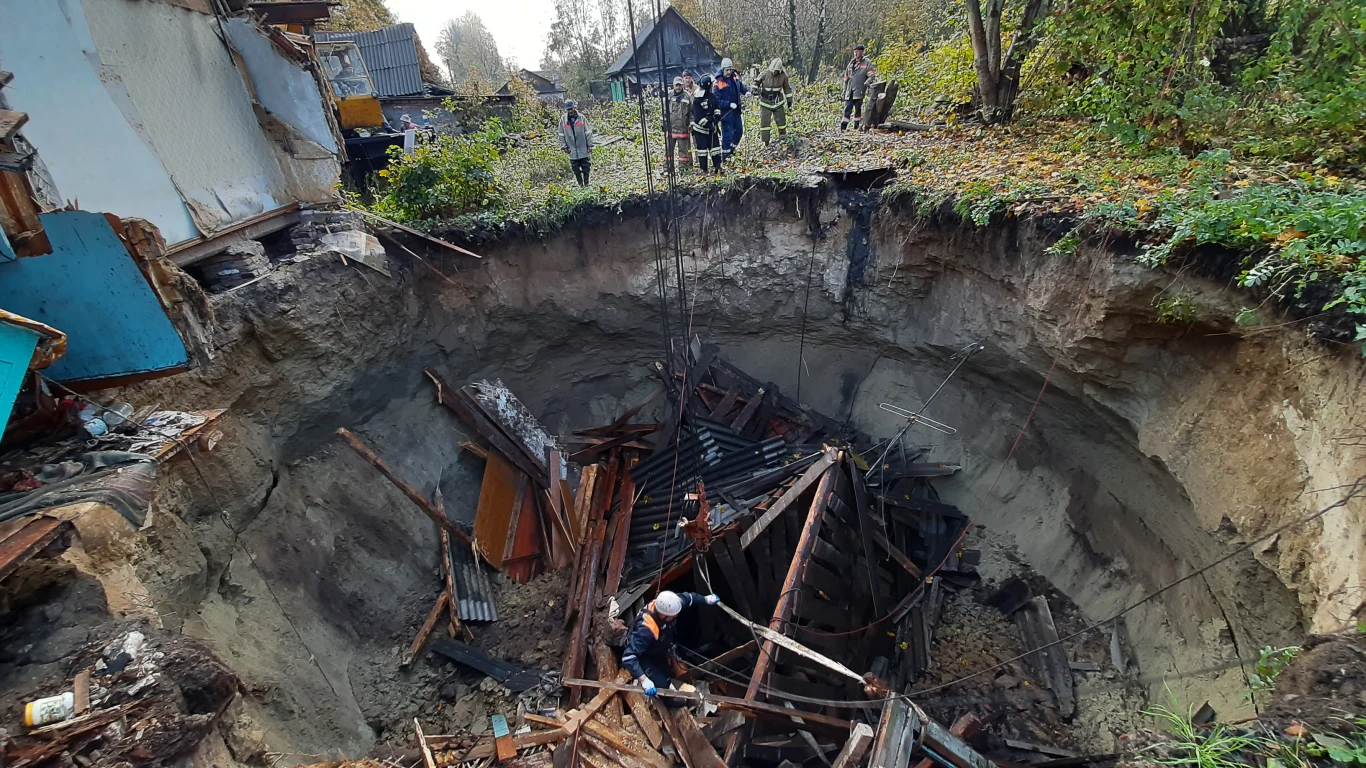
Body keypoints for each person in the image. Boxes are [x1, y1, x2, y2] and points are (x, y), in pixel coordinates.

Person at [621, 590, 722, 698]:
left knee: (666, 672)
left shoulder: (671, 604)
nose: (676, 617)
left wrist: (705, 599)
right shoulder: (646, 630)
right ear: (663, 615)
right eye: (673, 616)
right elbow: (628, 658)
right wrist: (644, 680)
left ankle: (668, 680)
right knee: (664, 689)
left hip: (660, 648)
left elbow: (688, 598)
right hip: (645, 655)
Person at [713, 58, 747, 158]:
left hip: (736, 111)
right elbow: (717, 100)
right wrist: (728, 104)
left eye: (730, 69)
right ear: (723, 69)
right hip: (726, 113)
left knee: (739, 131)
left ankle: (732, 150)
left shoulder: (734, 77)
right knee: (727, 136)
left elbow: (740, 86)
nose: (729, 72)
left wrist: (746, 91)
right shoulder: (718, 82)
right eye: (727, 70)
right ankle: (726, 155)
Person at [755, 58, 794, 145]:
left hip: (778, 102)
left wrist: (789, 101)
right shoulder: (765, 73)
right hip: (765, 102)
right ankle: (766, 143)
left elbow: (787, 89)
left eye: (775, 71)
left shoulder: (783, 76)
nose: (773, 72)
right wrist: (754, 89)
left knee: (781, 122)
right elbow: (756, 82)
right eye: (772, 70)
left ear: (779, 70)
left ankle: (783, 139)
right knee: (764, 123)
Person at [690, 74, 724, 173]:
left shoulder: (712, 96)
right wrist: (710, 124)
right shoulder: (697, 100)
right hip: (700, 131)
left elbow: (717, 109)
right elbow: (699, 119)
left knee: (716, 149)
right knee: (702, 151)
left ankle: (717, 166)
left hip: (712, 128)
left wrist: (716, 120)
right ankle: (704, 169)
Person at [559, 100, 594, 186]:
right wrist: (564, 146)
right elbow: (561, 134)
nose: (570, 111)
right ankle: (580, 184)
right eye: (568, 109)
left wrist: (589, 145)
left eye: (571, 109)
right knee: (576, 169)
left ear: (574, 107)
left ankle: (586, 183)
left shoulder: (581, 118)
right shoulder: (563, 120)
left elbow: (588, 132)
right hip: (572, 149)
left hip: (583, 148)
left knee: (586, 167)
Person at [841, 44, 875, 130]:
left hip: (859, 91)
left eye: (858, 52)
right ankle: (843, 128)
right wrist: (844, 91)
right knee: (847, 108)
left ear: (862, 52)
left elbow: (871, 75)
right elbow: (846, 78)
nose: (856, 53)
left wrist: (867, 82)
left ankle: (856, 128)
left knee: (858, 110)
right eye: (855, 52)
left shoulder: (867, 62)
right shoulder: (851, 63)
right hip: (849, 91)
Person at [664, 77, 693, 172]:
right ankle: (667, 168)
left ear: (683, 85)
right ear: (673, 85)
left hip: (683, 128)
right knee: (669, 150)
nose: (678, 86)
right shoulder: (668, 96)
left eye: (680, 85)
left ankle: (683, 168)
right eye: (676, 85)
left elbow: (691, 112)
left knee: (683, 151)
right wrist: (663, 123)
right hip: (671, 127)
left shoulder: (687, 96)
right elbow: (664, 111)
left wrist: (691, 123)